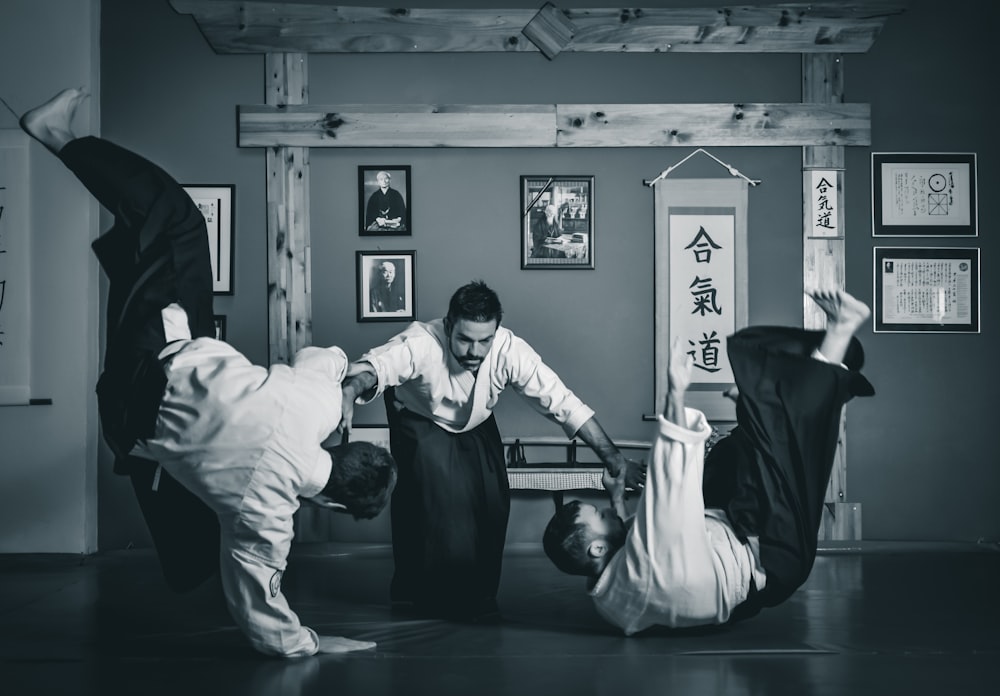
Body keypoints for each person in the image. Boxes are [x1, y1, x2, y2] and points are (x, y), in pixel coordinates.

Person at [19, 88, 398, 657]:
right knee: (211, 528)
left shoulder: (315, 407)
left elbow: (326, 358)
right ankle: (186, 552)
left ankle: (56, 135)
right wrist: (313, 644)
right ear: (333, 504)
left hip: (158, 358)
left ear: (347, 446)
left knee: (180, 224)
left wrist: (344, 389)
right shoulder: (270, 519)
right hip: (132, 418)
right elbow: (261, 607)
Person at [543, 288, 875, 632]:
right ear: (597, 547)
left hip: (726, 533)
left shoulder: (610, 598)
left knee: (731, 452)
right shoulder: (644, 568)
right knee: (785, 436)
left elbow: (632, 544)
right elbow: (664, 494)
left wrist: (615, 497)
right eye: (600, 515)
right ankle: (840, 330)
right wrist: (675, 393)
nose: (608, 511)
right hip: (773, 554)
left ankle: (756, 412)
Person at [339, 280, 645, 621]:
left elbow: (564, 403)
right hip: (419, 419)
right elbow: (374, 369)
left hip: (475, 419)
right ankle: (419, 597)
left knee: (493, 501)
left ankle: (478, 597)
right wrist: (350, 391)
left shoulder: (509, 350)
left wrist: (614, 460)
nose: (475, 350)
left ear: (495, 331)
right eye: (465, 340)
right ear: (448, 325)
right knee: (435, 502)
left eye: (484, 340)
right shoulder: (420, 342)